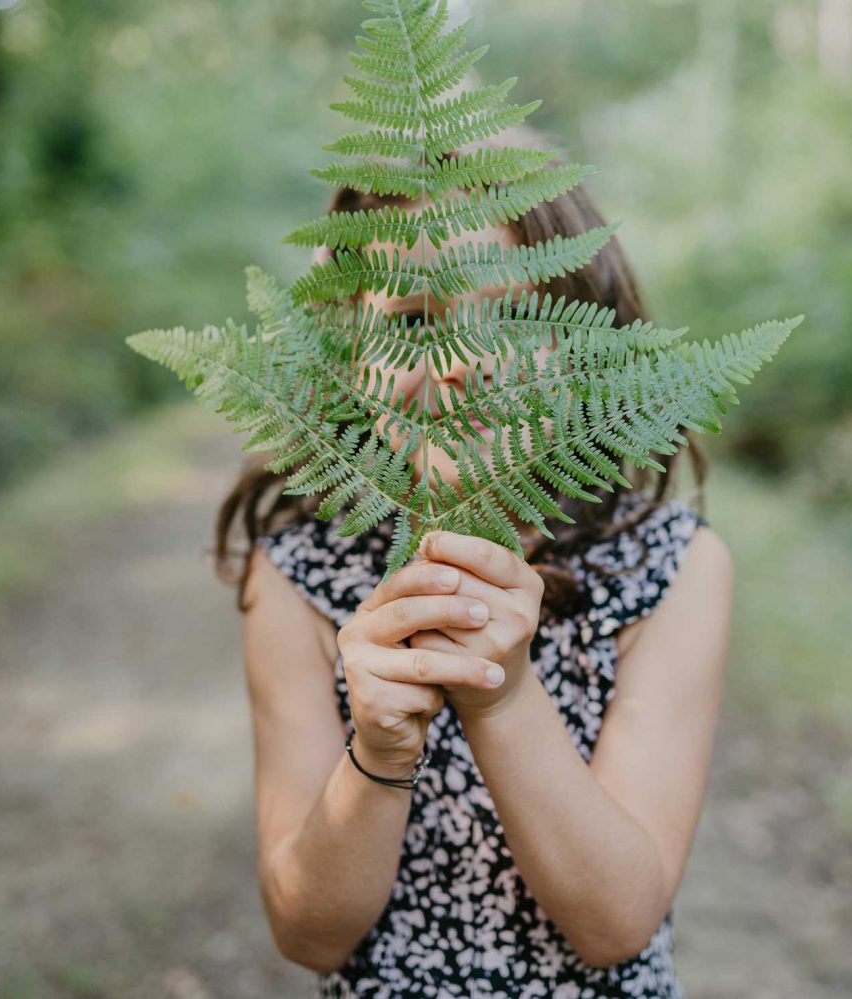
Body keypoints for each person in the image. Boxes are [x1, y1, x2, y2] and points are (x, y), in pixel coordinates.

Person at [216, 124, 735, 997]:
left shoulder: (670, 567)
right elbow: (305, 931)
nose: (458, 364)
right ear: (350, 355)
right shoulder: (299, 577)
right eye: (414, 322)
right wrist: (379, 748)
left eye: (509, 314)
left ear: (584, 342)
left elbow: (616, 923)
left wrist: (502, 694)